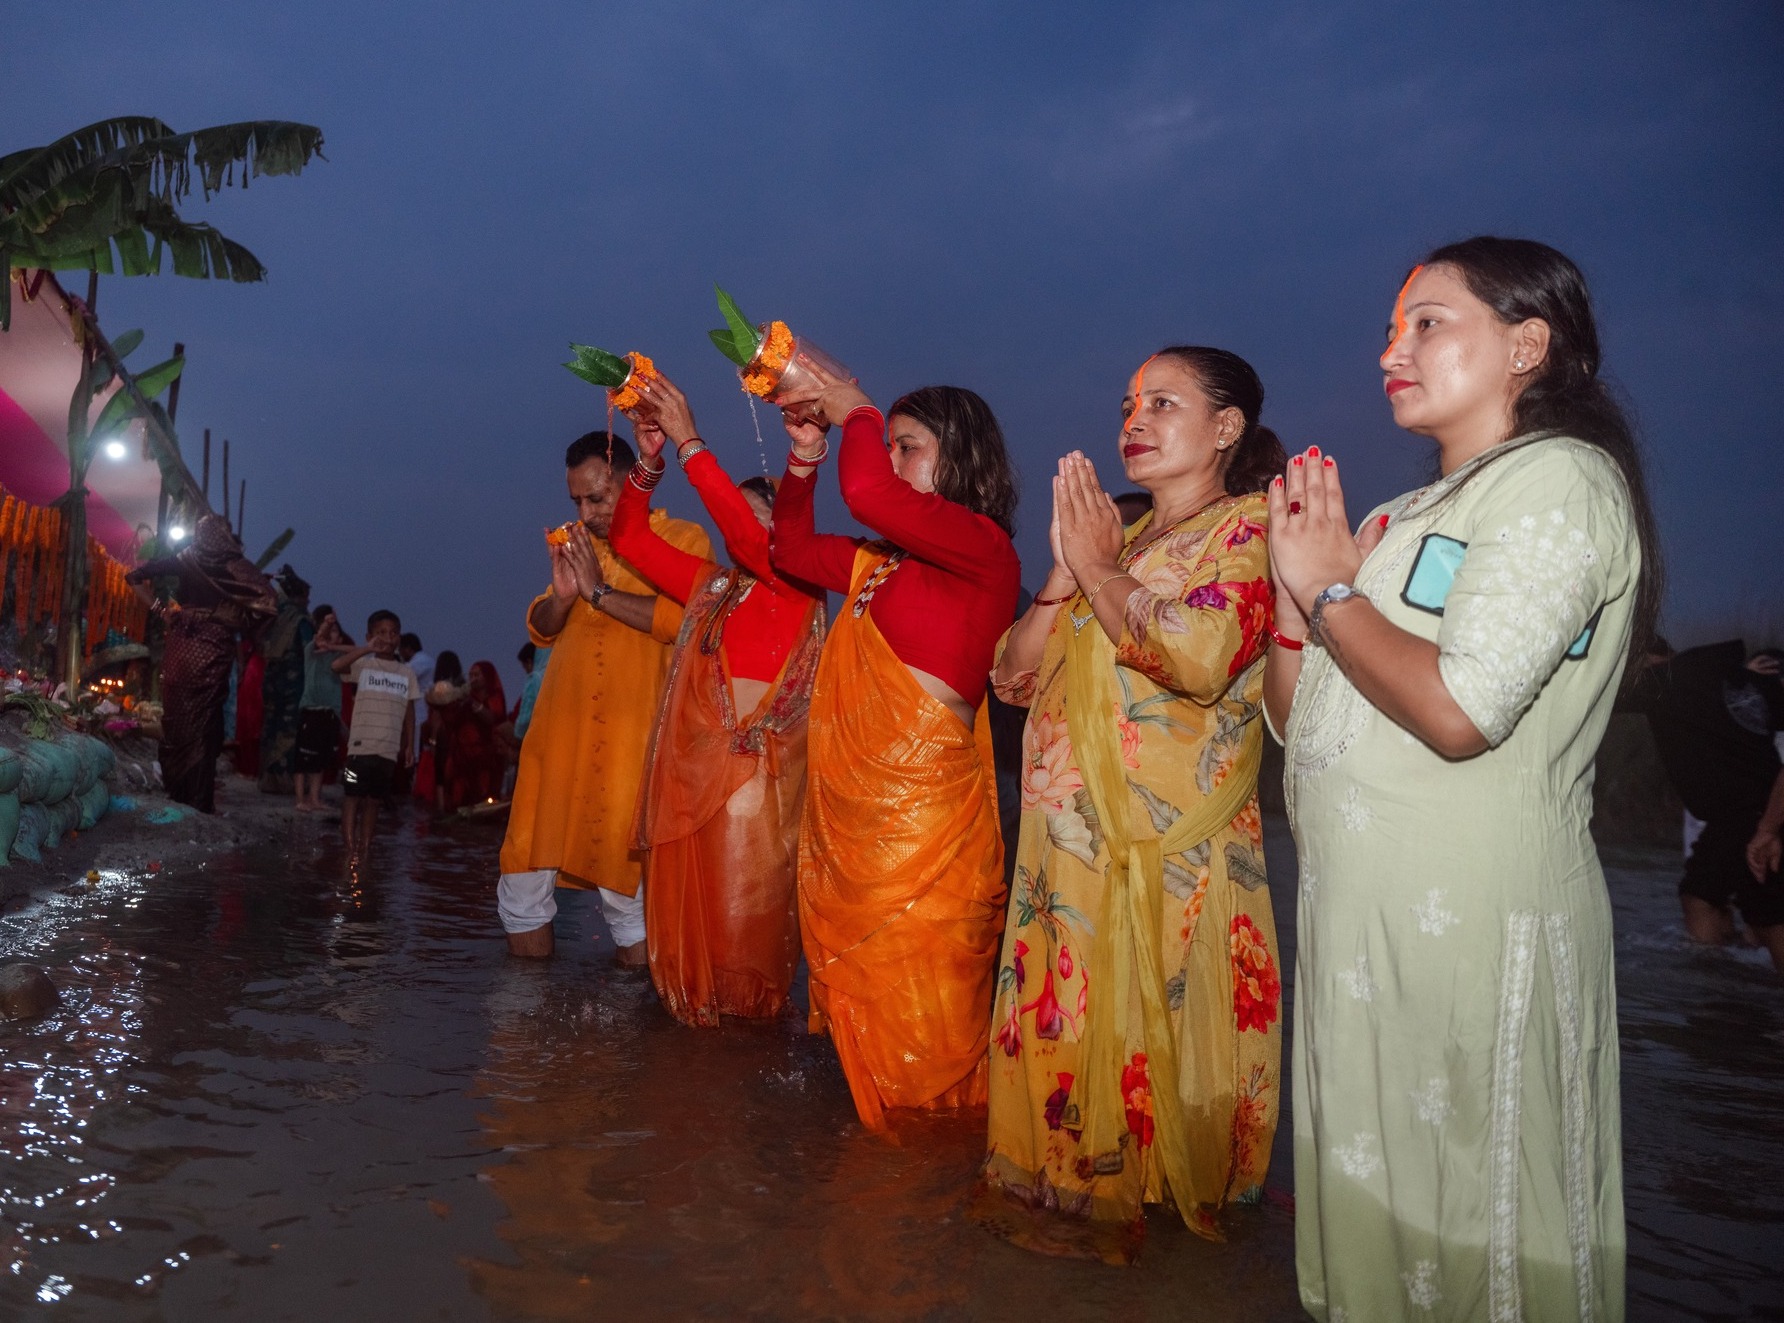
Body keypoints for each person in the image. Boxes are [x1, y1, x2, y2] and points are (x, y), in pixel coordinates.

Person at [1265, 237, 1657, 1321]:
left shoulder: (1560, 483)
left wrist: (1331, 594)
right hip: (1358, 932)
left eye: (1427, 322)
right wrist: (1294, 610)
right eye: (1391, 329)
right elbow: (1303, 731)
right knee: (1375, 1215)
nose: (1392, 348)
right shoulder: (1392, 522)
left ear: (1526, 343)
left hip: (1470, 923)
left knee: (1477, 1221)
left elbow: (1458, 710)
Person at [976, 347, 1286, 1261]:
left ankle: (1165, 1252)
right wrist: (1064, 580)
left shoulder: (1252, 531)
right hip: (1064, 856)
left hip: (1167, 855)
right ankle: (1065, 1214)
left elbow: (1197, 657)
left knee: (1160, 1072)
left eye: (1163, 402)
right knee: (1065, 1031)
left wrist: (1104, 572)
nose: (1134, 420)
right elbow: (1011, 679)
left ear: (1226, 428)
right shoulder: (1122, 539)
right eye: (1127, 404)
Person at [770, 371, 1020, 1130]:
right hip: (854, 833)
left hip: (925, 838)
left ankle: (926, 1196)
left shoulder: (984, 550)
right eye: (887, 446)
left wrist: (855, 407)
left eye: (906, 447)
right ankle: (876, 1213)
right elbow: (791, 548)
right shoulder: (876, 567)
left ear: (959, 459)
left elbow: (870, 496)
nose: (889, 459)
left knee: (927, 1050)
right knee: (860, 1037)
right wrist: (806, 458)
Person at [610, 370, 827, 1026]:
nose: (745, 529)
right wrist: (648, 463)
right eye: (743, 513)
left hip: (754, 795)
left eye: (760, 516)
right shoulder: (715, 589)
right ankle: (691, 1098)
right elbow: (629, 539)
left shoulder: (796, 584)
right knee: (687, 964)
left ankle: (738, 1096)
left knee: (741, 960)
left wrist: (690, 444)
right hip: (691, 789)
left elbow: (742, 535)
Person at [496, 431, 711, 964]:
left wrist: (598, 593)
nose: (586, 512)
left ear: (631, 483)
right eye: (576, 501)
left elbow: (680, 622)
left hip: (629, 750)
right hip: (556, 743)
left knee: (631, 905)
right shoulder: (577, 544)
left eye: (597, 498)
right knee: (523, 888)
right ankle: (526, 1035)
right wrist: (566, 599)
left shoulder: (683, 540)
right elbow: (542, 627)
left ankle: (631, 1041)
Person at [1628, 640, 1784, 969]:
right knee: (1701, 895)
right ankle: (1722, 986)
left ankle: (1729, 987)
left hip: (1756, 812)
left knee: (1767, 917)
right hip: (1741, 813)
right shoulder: (1723, 678)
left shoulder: (1670, 680)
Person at [124, 515, 276, 813]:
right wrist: (238, 617)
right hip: (214, 646)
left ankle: (179, 790)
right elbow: (269, 602)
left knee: (178, 717)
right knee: (205, 720)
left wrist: (162, 610)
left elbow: (133, 577)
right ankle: (198, 798)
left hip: (182, 642)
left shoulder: (186, 559)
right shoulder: (237, 566)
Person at [331, 609, 421, 864]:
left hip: (388, 750)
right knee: (352, 795)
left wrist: (410, 747)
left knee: (374, 800)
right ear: (370, 636)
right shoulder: (364, 665)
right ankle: (350, 850)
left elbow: (410, 713)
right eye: (381, 633)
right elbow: (337, 665)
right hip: (359, 748)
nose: (388, 638)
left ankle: (365, 849)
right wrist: (366, 648)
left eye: (393, 633)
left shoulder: (407, 674)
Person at [257, 565, 312, 796]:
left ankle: (268, 779)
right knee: (289, 731)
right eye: (306, 597)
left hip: (271, 682)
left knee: (271, 727)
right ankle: (284, 781)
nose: (308, 602)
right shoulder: (301, 621)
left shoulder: (273, 617)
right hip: (294, 685)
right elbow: (310, 653)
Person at [429, 656, 508, 813]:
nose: (473, 678)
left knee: (484, 798)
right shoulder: (462, 697)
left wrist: (473, 705)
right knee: (458, 797)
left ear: (487, 677)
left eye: (477, 675)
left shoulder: (494, 696)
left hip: (486, 757)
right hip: (461, 756)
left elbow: (493, 718)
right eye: (471, 675)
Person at [295, 603, 352, 811]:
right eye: (329, 630)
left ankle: (315, 798)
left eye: (336, 630)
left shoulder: (337, 658)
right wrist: (328, 625)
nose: (332, 633)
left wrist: (334, 647)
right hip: (312, 711)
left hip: (330, 714)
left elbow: (356, 651)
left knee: (320, 761)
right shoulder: (311, 651)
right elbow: (320, 635)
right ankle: (301, 799)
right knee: (303, 760)